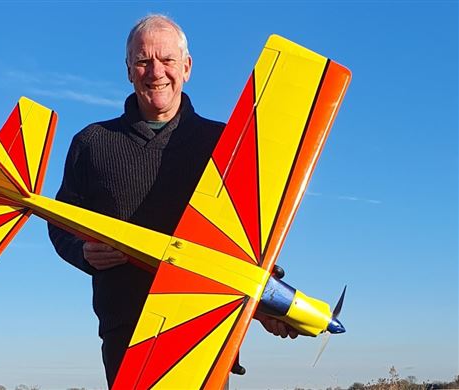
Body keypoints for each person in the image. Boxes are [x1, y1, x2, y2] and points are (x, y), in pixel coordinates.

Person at [48, 14, 297, 387]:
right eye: (143, 60)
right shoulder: (92, 142)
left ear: (187, 67)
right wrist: (82, 252)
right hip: (127, 336)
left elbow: (245, 236)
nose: (155, 72)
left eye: (166, 60)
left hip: (202, 336)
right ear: (129, 70)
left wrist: (266, 303)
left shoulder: (228, 144)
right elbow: (61, 222)